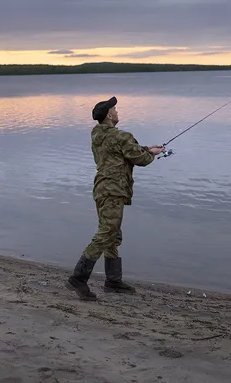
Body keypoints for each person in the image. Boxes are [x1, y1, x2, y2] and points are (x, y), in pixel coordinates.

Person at [66, 96, 165, 301]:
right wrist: (153, 154)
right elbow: (140, 159)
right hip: (114, 190)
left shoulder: (97, 136)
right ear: (110, 115)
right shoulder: (121, 136)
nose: (117, 112)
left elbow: (123, 152)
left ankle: (113, 281)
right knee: (106, 233)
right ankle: (79, 277)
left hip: (101, 189)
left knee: (112, 234)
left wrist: (147, 148)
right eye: (115, 110)